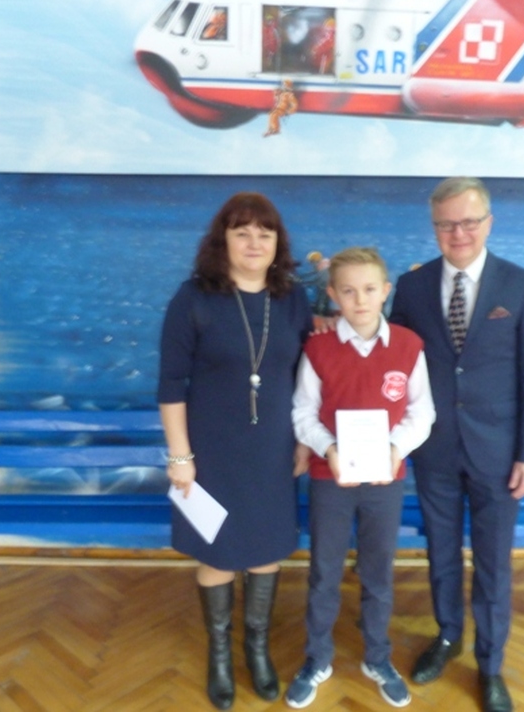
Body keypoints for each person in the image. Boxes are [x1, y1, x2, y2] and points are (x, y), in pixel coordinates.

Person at [388, 178, 524, 712]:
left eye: (468, 221)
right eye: (446, 224)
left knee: (493, 563)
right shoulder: (411, 288)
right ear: (434, 227)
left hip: (499, 454)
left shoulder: (520, 284)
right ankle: (448, 636)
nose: (458, 233)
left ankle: (491, 664)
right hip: (433, 449)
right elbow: (392, 361)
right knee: (440, 552)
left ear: (488, 223)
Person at [159, 192, 313, 710]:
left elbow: (307, 378)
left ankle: (258, 649)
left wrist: (303, 441)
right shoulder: (193, 298)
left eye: (264, 234)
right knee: (218, 552)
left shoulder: (292, 300)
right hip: (212, 452)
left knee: (267, 551)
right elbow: (171, 384)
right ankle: (220, 656)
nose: (253, 243)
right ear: (221, 239)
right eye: (241, 232)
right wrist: (180, 456)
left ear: (277, 244)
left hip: (273, 450)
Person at [287, 247, 435, 709]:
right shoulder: (318, 348)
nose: (360, 300)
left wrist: (394, 450)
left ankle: (377, 657)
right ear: (333, 295)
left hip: (386, 480)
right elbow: (303, 412)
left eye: (369, 289)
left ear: (385, 291)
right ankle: (317, 659)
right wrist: (329, 449)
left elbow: (422, 413)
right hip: (329, 478)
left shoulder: (409, 346)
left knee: (378, 573)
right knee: (324, 572)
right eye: (348, 291)